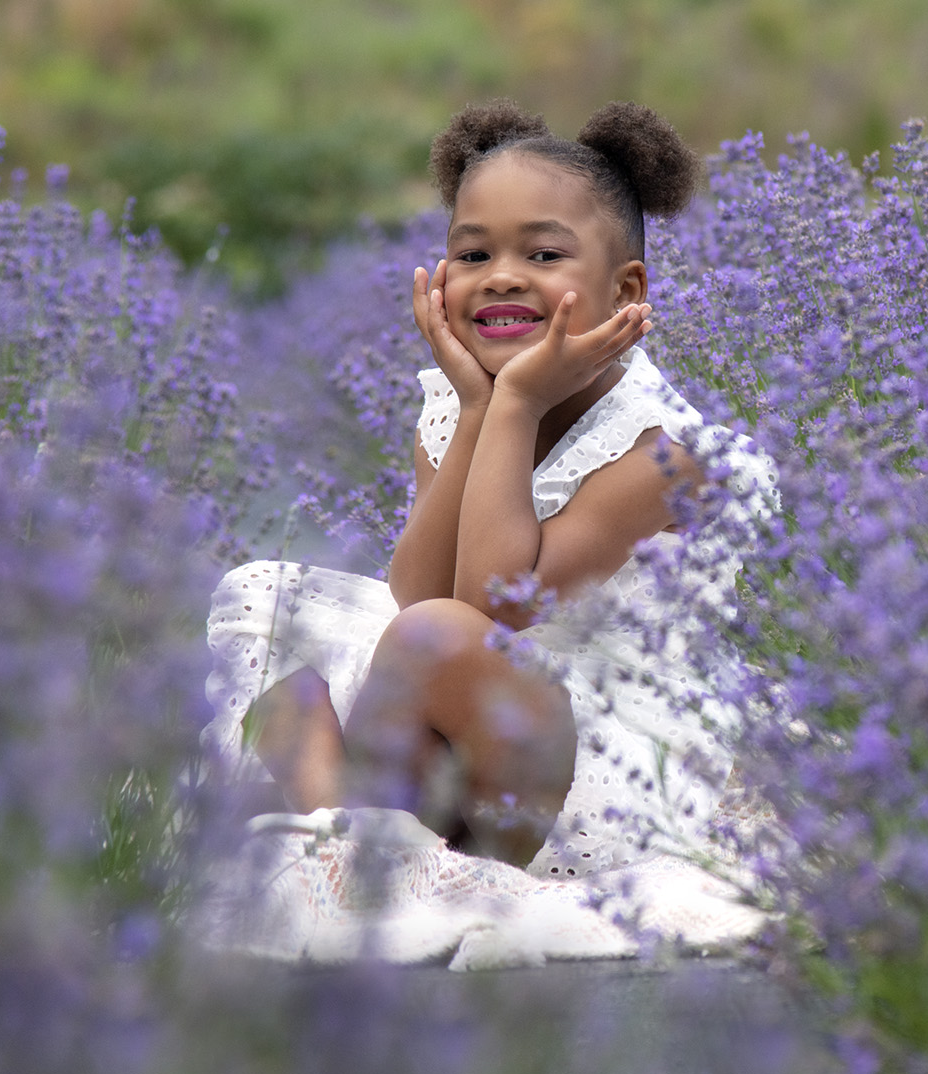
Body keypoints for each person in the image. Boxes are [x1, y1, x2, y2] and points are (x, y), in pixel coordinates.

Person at [203, 99, 777, 884]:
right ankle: (354, 832)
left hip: (593, 760)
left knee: (429, 636)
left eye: (544, 255)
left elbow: (494, 601)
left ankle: (357, 846)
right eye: (472, 256)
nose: (502, 276)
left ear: (625, 287)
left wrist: (514, 405)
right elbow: (420, 588)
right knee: (268, 606)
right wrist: (477, 408)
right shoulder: (458, 404)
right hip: (459, 718)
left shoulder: (663, 455)